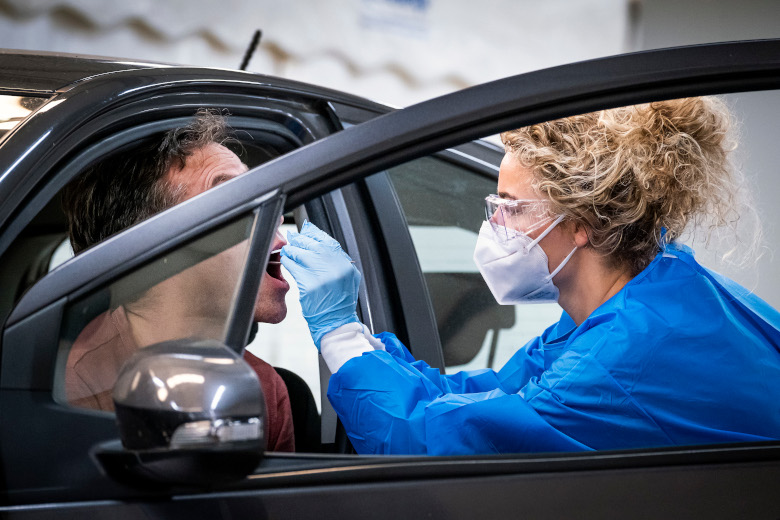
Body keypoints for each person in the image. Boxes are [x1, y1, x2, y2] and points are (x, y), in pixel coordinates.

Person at [281, 97, 780, 455]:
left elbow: (427, 444)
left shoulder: (620, 360)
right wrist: (363, 340)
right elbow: (484, 398)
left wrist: (337, 331)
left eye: (513, 210)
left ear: (582, 225)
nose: (494, 226)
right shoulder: (653, 289)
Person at [62, 109, 295, 452]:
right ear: (156, 245)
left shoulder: (264, 387)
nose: (279, 239)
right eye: (240, 205)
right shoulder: (75, 383)